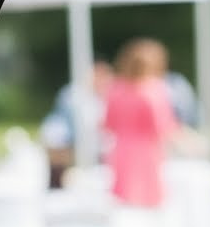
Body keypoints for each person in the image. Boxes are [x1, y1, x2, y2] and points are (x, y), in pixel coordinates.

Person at [102, 38, 182, 207]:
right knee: (148, 204)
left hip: (121, 149)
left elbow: (107, 124)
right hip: (147, 152)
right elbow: (162, 126)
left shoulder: (115, 89)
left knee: (124, 202)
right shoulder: (154, 91)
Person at [39, 60, 114, 189]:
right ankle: (57, 186)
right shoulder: (73, 95)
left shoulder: (111, 97)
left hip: (101, 145)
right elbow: (63, 122)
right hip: (71, 140)